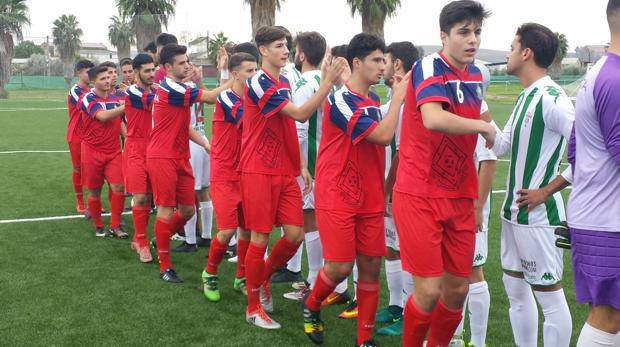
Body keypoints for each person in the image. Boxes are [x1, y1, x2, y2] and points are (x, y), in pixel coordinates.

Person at [392, 1, 495, 346]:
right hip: (420, 193)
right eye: (464, 32)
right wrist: (482, 127)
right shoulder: (428, 66)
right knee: (429, 289)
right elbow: (434, 118)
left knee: (458, 288)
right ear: (443, 35)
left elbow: (484, 118)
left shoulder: (478, 74)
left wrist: (491, 129)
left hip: (460, 194)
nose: (473, 40)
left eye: (477, 32)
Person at [302, 33, 409, 347]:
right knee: (339, 266)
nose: (382, 66)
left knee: (370, 267)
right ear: (357, 63)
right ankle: (311, 305)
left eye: (384, 60)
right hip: (338, 194)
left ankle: (364, 339)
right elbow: (382, 134)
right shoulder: (339, 100)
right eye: (376, 60)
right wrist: (399, 98)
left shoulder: (373, 101)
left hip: (371, 195)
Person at [239, 25, 345, 330]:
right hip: (258, 169)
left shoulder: (284, 79)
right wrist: (326, 84)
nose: (286, 50)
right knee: (260, 238)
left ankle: (262, 279)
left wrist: (299, 164)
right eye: (278, 46)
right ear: (263, 51)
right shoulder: (258, 82)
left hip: (284, 169)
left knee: (295, 234)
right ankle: (253, 305)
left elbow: (288, 127)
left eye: (286, 45)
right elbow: (299, 115)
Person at [492, 23, 574, 347]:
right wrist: (476, 110)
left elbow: (591, 150)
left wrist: (547, 190)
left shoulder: (552, 98)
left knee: (550, 299)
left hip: (539, 216)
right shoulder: (525, 97)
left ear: (526, 53)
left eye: (512, 47)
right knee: (514, 289)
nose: (508, 53)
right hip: (512, 213)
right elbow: (500, 146)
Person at [146, 43, 229, 283]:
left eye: (187, 61)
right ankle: (165, 265)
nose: (187, 65)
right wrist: (237, 77)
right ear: (168, 67)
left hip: (180, 155)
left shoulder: (181, 87)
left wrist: (204, 143)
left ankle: (159, 240)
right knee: (165, 209)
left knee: (188, 209)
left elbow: (184, 125)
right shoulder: (172, 88)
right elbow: (212, 97)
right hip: (162, 157)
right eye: (182, 63)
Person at [568, 1, 620, 345]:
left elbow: (574, 150)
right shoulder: (615, 79)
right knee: (608, 316)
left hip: (597, 215)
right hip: (608, 221)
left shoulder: (600, 71)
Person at [202, 52, 258, 302]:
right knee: (226, 231)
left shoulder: (255, 99)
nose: (254, 75)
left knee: (248, 230)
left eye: (256, 70)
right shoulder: (226, 97)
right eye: (249, 71)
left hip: (247, 173)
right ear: (235, 74)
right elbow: (246, 121)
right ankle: (210, 273)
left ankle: (241, 277)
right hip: (224, 174)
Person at [278, 31, 329, 296]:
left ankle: (313, 280)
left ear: (302, 55)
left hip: (310, 163)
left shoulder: (302, 84)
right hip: (329, 161)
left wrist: (300, 166)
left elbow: (299, 128)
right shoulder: (329, 81)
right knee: (323, 221)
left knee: (310, 220)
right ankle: (324, 280)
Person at [375, 41, 418, 337]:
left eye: (385, 60)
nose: (381, 66)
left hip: (401, 188)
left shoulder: (406, 102)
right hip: (389, 188)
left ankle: (408, 311)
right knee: (391, 248)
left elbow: (402, 153)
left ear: (398, 64)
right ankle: (394, 305)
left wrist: (387, 189)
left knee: (406, 251)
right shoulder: (388, 101)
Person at [451, 64, 496, 347]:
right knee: (454, 271)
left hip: (470, 203)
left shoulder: (477, 107)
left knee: (473, 269)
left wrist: (477, 206)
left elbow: (489, 159)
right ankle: (454, 337)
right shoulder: (457, 104)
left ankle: (477, 342)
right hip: (453, 201)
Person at [79, 64, 128, 239]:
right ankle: (99, 225)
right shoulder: (87, 98)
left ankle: (115, 225)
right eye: (103, 78)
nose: (108, 81)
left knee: (119, 187)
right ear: (93, 81)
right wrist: (126, 105)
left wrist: (127, 138)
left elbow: (120, 120)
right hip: (92, 152)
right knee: (94, 191)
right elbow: (103, 116)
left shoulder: (116, 98)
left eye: (109, 77)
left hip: (114, 151)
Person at [123, 54, 157, 263]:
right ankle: (142, 243)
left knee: (153, 198)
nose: (152, 74)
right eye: (147, 71)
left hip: (154, 148)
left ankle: (138, 237)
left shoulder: (158, 90)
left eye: (153, 70)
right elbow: (157, 103)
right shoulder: (134, 92)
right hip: (136, 148)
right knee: (141, 196)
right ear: (136, 72)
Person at [66, 59, 94, 214]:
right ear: (79, 73)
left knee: (90, 169)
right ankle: (80, 202)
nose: (90, 75)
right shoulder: (76, 91)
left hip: (90, 136)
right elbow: (88, 105)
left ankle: (92, 203)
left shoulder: (91, 90)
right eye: (87, 72)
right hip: (76, 135)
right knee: (78, 168)